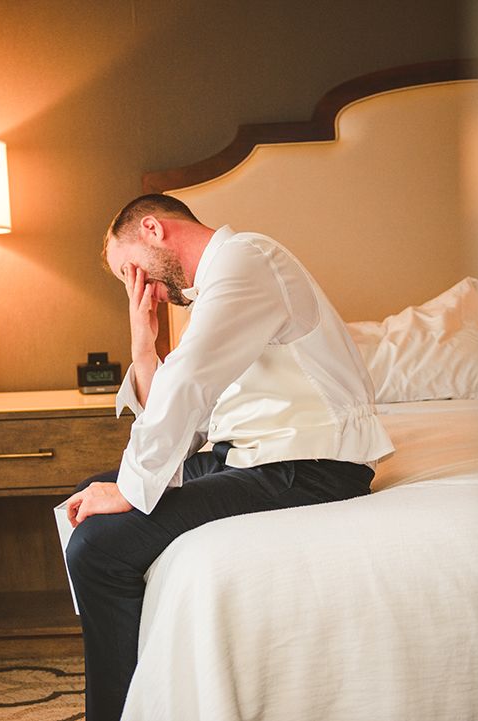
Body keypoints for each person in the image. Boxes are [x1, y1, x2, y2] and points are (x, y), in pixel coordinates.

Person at [63, 194, 395, 721]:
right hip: (251, 456)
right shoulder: (221, 284)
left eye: (130, 269)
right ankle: (144, 686)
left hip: (309, 465)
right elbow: (190, 423)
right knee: (86, 498)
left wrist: (129, 491)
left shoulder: (248, 259)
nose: (136, 286)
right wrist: (143, 347)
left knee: (99, 545)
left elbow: (189, 381)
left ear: (153, 228)